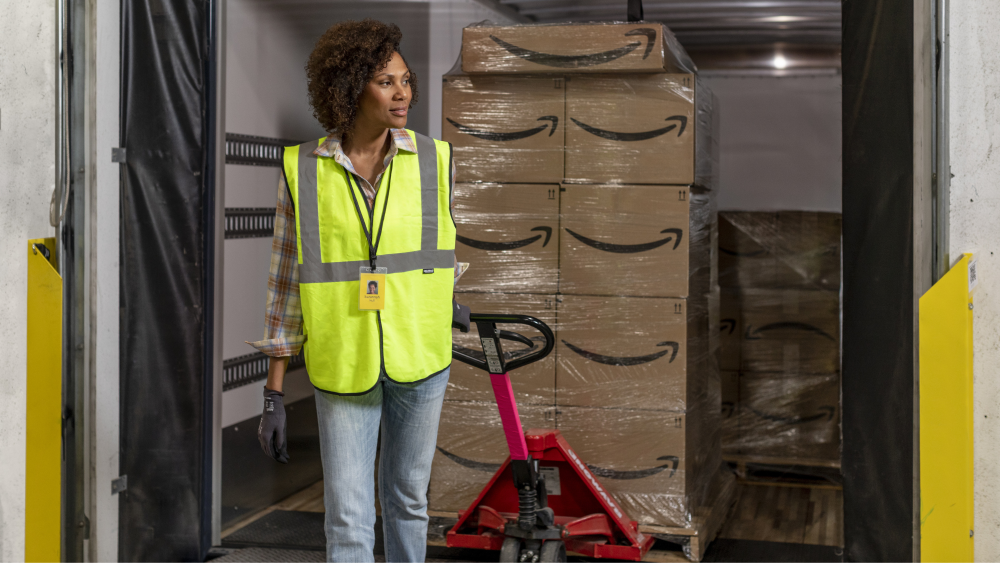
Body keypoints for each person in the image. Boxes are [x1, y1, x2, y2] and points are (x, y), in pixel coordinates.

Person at [247, 19, 469, 562]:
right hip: (344, 361)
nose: (403, 94)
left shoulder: (435, 158)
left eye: (405, 80)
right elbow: (285, 282)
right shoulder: (302, 168)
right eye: (385, 82)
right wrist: (274, 391)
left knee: (408, 501)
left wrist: (445, 299)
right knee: (348, 514)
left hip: (420, 355)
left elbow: (442, 248)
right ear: (349, 88)